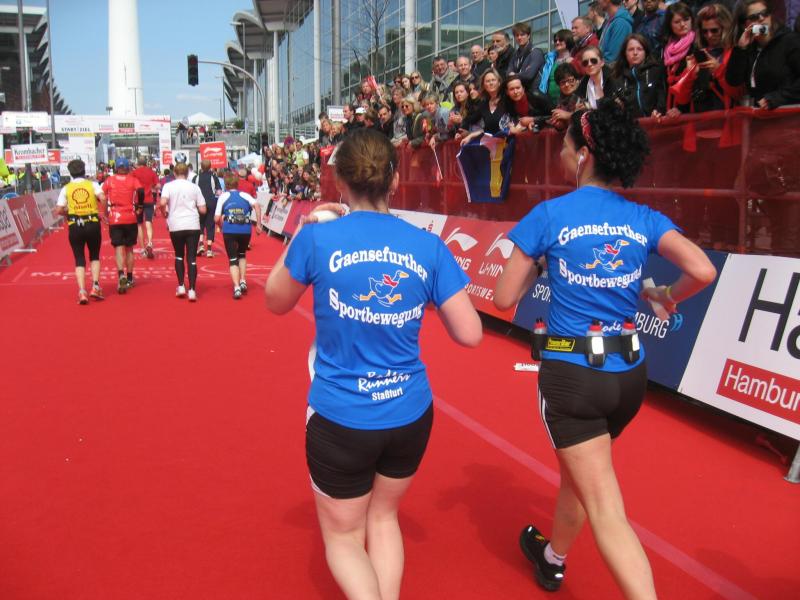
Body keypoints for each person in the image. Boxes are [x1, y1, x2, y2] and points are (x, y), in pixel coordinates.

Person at [494, 98, 716, 598]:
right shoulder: (641, 216)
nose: (560, 155)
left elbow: (504, 298)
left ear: (584, 155)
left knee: (607, 509)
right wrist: (665, 293)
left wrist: (543, 265)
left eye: (564, 146)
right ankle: (553, 559)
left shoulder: (549, 215)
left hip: (573, 377)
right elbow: (703, 270)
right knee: (581, 478)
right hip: (628, 377)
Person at [264, 127, 482, 600]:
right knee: (383, 518)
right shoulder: (426, 244)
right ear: (395, 180)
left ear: (340, 182)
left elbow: (275, 300)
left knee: (344, 538)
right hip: (408, 412)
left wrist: (302, 232)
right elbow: (471, 333)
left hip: (341, 415)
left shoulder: (318, 238)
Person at [727, 0, 800, 109]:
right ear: (744, 24)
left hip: (789, 112)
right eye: (754, 17)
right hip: (761, 114)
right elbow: (733, 80)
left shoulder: (789, 41)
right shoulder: (750, 47)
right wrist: (741, 49)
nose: (761, 18)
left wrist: (776, 98)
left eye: (765, 13)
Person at [56, 159, 106, 304]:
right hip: (92, 223)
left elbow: (58, 210)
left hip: (75, 225)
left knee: (79, 258)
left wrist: (69, 212)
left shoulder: (66, 188)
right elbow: (103, 198)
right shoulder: (92, 184)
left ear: (70, 173)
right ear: (84, 171)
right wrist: (103, 212)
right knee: (94, 255)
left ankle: (82, 291)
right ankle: (95, 286)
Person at [160, 162, 207, 301]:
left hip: (176, 224)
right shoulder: (194, 187)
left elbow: (162, 202)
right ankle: (192, 290)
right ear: (187, 173)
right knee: (192, 258)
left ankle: (181, 286)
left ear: (174, 173)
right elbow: (203, 209)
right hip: (192, 224)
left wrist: (164, 212)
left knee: (179, 255)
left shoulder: (168, 186)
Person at [214, 171, 262, 299]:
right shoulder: (245, 195)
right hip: (245, 229)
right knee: (242, 254)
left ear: (226, 185)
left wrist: (220, 225)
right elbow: (257, 206)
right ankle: (243, 280)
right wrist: (258, 224)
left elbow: (216, 218)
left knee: (232, 258)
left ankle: (236, 287)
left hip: (230, 229)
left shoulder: (223, 197)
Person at [102, 157, 144, 294]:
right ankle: (130, 277)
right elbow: (141, 191)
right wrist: (140, 206)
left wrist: (104, 212)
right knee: (129, 249)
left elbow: (102, 195)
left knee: (118, 248)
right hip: (130, 216)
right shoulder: (133, 180)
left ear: (116, 168)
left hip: (115, 216)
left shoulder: (109, 180)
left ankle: (121, 275)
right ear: (127, 168)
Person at [613, 33, 667, 117]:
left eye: (639, 49)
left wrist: (658, 110)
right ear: (625, 53)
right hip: (631, 124)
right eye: (631, 49)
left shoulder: (656, 71)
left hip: (656, 122)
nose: (635, 53)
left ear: (645, 52)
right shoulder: (617, 77)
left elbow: (662, 96)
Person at [458, 69, 513, 143]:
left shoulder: (507, 99)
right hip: (493, 145)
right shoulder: (484, 104)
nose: (491, 83)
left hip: (509, 142)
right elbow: (486, 130)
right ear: (483, 85)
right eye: (487, 81)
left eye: (493, 80)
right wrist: (470, 135)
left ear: (499, 82)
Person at [663, 2, 697, 116]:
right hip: (670, 107)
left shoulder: (697, 44)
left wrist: (681, 108)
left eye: (686, 19)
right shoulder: (666, 48)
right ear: (670, 25)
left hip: (690, 108)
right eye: (677, 22)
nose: (682, 24)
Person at [193, 160, 222, 258]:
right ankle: (209, 249)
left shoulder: (196, 177)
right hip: (211, 202)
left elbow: (193, 190)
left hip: (199, 203)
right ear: (210, 167)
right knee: (210, 225)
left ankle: (201, 244)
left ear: (201, 167)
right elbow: (219, 191)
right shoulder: (213, 177)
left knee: (200, 223)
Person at [132, 157, 160, 258]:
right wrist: (151, 187)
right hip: (149, 200)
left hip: (138, 201)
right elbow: (158, 185)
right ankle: (150, 242)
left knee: (139, 224)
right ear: (146, 163)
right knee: (149, 222)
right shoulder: (151, 172)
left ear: (138, 163)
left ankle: (143, 249)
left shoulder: (134, 173)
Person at [508, 22, 547, 92]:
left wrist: (514, 75)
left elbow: (529, 75)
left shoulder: (535, 52)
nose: (519, 37)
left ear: (528, 36)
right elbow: (508, 73)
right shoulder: (515, 55)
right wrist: (522, 73)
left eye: (522, 35)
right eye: (517, 35)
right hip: (520, 92)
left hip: (534, 93)